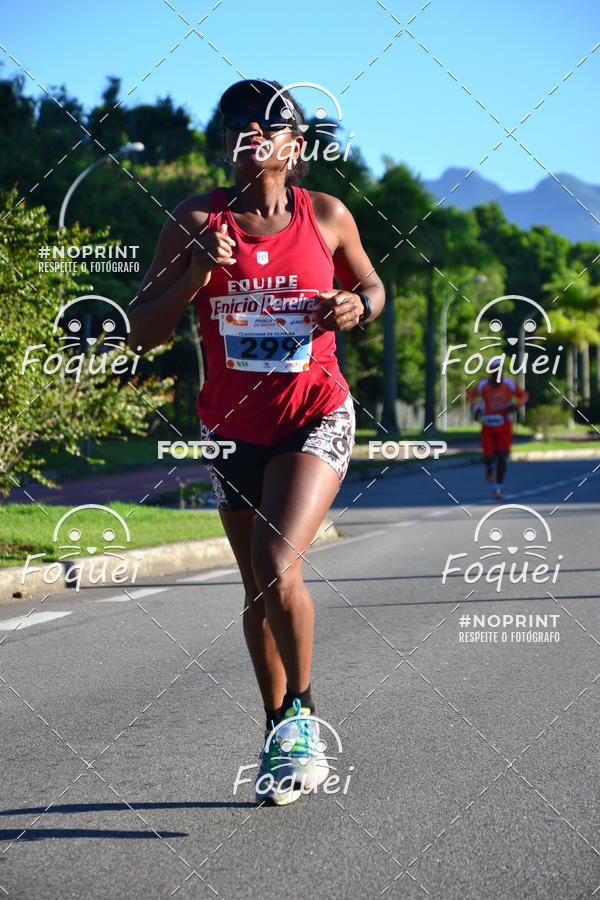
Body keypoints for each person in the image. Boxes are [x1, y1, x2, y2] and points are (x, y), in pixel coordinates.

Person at [129, 79, 384, 804]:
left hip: (315, 411)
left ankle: (303, 712)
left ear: (293, 147)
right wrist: (195, 275)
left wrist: (354, 306)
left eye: (265, 123)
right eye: (236, 123)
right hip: (231, 426)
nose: (248, 133)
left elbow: (373, 288)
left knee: (277, 563)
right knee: (256, 587)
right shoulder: (194, 219)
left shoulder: (328, 215)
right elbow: (143, 330)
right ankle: (278, 731)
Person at [467, 365, 529, 500]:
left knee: (502, 456)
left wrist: (516, 405)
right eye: (494, 372)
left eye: (499, 372)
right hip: (488, 426)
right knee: (489, 456)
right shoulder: (482, 385)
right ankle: (489, 467)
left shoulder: (510, 384)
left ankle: (497, 488)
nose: (497, 375)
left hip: (504, 425)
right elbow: (470, 395)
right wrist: (476, 408)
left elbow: (523, 395)